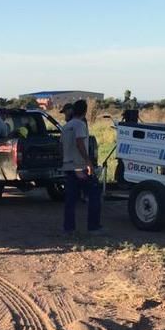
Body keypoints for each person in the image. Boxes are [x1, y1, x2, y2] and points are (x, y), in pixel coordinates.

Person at [60, 100, 102, 233]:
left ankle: (69, 228)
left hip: (68, 166)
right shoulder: (80, 125)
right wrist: (88, 162)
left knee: (70, 200)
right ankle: (93, 226)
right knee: (94, 194)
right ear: (85, 111)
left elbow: (61, 146)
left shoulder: (66, 127)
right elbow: (79, 143)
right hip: (80, 166)